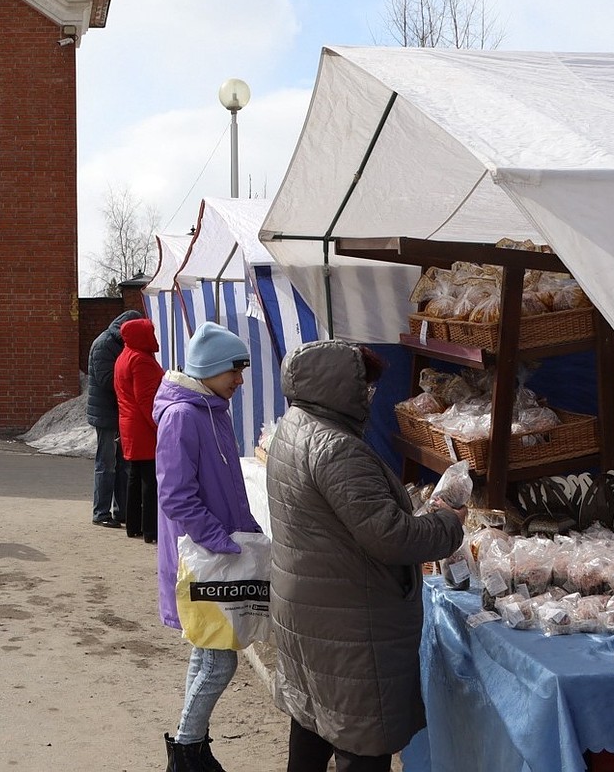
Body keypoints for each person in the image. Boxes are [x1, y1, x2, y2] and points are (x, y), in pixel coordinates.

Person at [265, 339, 466, 772]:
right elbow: (390, 537)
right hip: (351, 619)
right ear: (341, 387)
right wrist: (447, 521)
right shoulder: (337, 448)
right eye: (365, 385)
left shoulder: (294, 425)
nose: (370, 394)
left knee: (315, 718)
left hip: (310, 606)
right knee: (361, 741)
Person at [153, 320, 260, 772]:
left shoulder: (213, 410)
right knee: (220, 662)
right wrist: (219, 541)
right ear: (209, 369)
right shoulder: (183, 416)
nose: (239, 380)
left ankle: (191, 747)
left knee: (207, 652)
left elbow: (230, 487)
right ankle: (187, 750)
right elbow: (176, 495)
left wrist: (251, 533)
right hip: (203, 558)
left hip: (218, 554)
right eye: (233, 371)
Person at [85, 309, 140, 528]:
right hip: (106, 414)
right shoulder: (104, 344)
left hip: (119, 413)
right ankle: (101, 512)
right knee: (106, 464)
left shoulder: (120, 344)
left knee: (123, 464)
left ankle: (121, 511)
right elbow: (107, 379)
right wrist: (133, 380)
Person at [113, 315, 164, 543]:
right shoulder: (141, 359)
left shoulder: (124, 356)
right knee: (149, 480)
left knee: (135, 476)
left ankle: (133, 525)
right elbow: (146, 399)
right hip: (143, 426)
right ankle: (151, 530)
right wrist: (159, 425)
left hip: (130, 424)